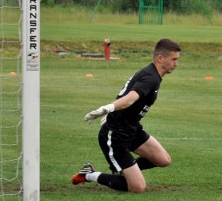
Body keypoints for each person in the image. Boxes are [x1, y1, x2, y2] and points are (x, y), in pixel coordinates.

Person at [71, 38, 182, 193]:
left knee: (163, 160)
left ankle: (125, 171)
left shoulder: (152, 74)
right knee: (137, 187)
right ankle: (89, 174)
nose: (176, 63)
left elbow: (126, 93)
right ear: (160, 58)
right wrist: (107, 109)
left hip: (131, 128)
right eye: (174, 59)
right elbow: (130, 98)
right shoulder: (150, 77)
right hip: (116, 135)